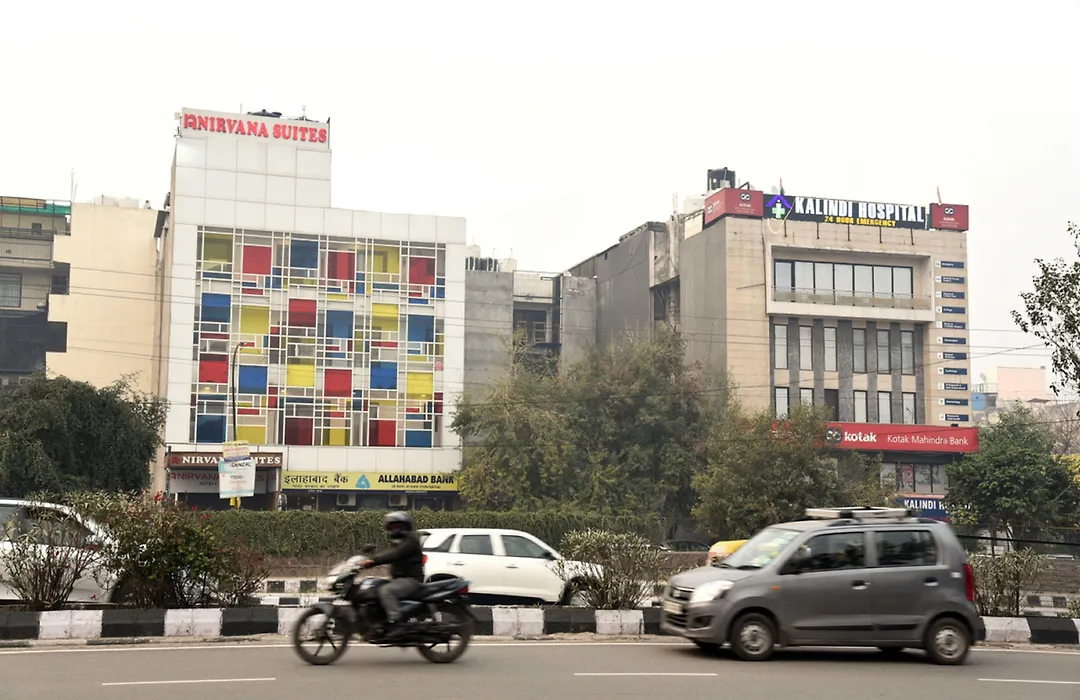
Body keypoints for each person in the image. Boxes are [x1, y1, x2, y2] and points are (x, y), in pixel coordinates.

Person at [357, 511, 425, 638]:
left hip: (411, 580)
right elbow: (388, 553)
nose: (394, 529)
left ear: (405, 526)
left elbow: (394, 555)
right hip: (399, 580)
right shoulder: (399, 542)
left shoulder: (410, 540)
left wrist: (373, 561)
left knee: (386, 591)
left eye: (397, 526)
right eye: (392, 526)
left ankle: (397, 624)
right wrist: (370, 558)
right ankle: (379, 625)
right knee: (374, 587)